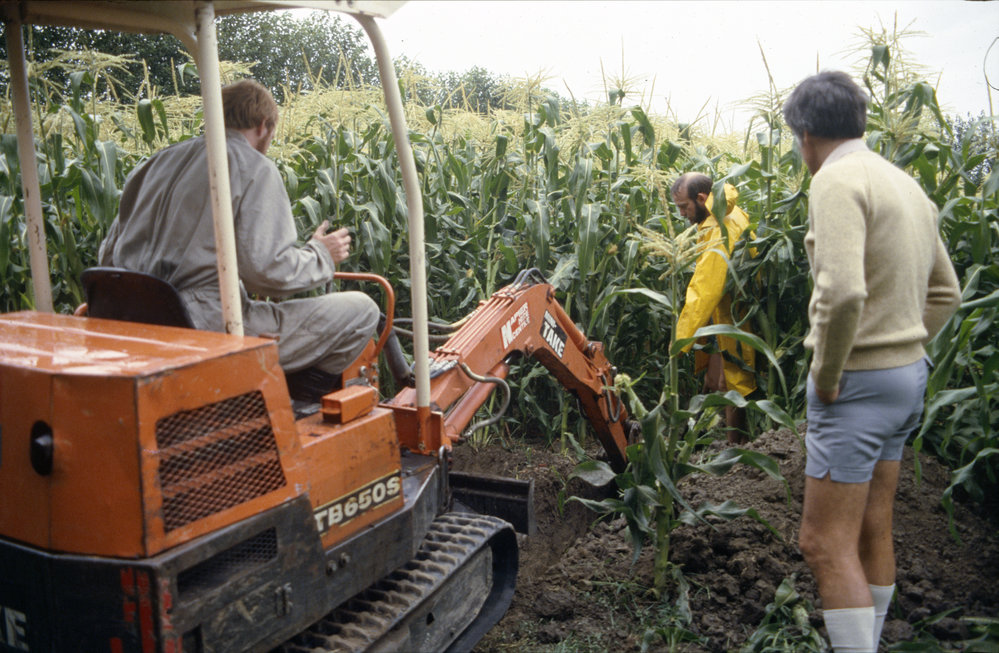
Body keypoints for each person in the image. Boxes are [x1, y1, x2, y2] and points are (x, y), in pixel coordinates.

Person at [783, 71, 962, 652]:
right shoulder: (905, 185)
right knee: (871, 528)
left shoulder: (835, 180)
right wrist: (900, 348)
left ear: (806, 134)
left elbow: (841, 293)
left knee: (823, 543)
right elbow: (947, 293)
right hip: (907, 379)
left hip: (855, 384)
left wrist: (828, 374)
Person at [100, 79, 379, 398]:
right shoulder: (254, 167)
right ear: (264, 126)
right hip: (204, 328)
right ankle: (292, 408)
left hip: (131, 323)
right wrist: (322, 254)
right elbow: (268, 272)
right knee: (362, 310)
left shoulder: (153, 165)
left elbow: (108, 255)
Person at [671, 172, 756, 443]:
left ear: (701, 198)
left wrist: (680, 339)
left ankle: (734, 450)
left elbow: (705, 288)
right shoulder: (717, 215)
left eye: (684, 206)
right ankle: (698, 437)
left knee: (730, 384)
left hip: (736, 314)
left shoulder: (721, 227)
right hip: (724, 313)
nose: (682, 214)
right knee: (713, 378)